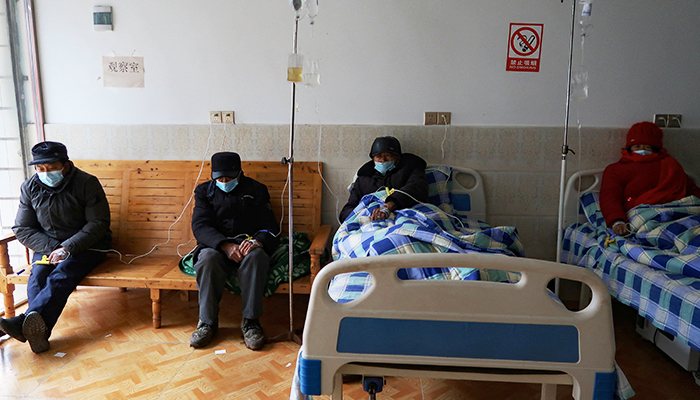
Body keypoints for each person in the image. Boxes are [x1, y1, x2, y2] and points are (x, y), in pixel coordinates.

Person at [1, 141, 111, 353]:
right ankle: (36, 332)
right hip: (47, 246)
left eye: (51, 167)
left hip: (87, 245)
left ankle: (26, 323)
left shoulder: (87, 183)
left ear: (66, 165)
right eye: (40, 169)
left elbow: (98, 224)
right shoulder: (29, 187)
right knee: (39, 275)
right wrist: (54, 248)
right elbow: (23, 228)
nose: (45, 172)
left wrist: (67, 248)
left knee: (63, 272)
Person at [189, 152, 280, 350]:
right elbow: (200, 226)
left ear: (239, 173)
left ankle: (251, 322)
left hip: (248, 244)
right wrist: (224, 245)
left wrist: (258, 241)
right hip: (216, 245)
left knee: (257, 258)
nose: (223, 181)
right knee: (206, 259)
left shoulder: (256, 189)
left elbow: (270, 227)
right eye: (219, 178)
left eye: (228, 178)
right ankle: (207, 322)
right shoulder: (204, 191)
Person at [600, 121, 700, 236]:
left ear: (655, 149)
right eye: (637, 146)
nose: (642, 150)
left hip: (679, 211)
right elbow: (609, 197)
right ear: (630, 147)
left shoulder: (671, 165)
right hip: (643, 213)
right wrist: (617, 221)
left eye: (647, 147)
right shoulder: (616, 170)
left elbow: (691, 189)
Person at [339, 136, 428, 223]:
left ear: (397, 158)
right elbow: (346, 212)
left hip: (406, 219)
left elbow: (418, 188)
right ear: (373, 159)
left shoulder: (410, 169)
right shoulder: (364, 180)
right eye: (378, 156)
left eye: (388, 156)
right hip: (370, 223)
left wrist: (389, 205)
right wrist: (366, 215)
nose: (383, 160)